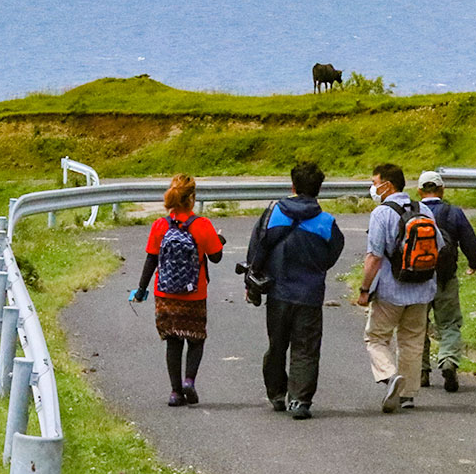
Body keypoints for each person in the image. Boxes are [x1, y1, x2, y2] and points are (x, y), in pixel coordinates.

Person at [245, 161, 345, 419]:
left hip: (278, 293)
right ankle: (300, 401)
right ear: (319, 189)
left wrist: (252, 283)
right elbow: (333, 254)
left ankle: (277, 394)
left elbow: (256, 249)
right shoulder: (326, 222)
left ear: (293, 185)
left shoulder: (274, 212)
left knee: (277, 345)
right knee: (306, 348)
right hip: (310, 295)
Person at [130, 174, 225, 406]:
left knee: (173, 342)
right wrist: (219, 239)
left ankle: (175, 393)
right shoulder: (202, 225)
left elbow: (151, 260)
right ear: (191, 198)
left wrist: (141, 289)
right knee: (196, 339)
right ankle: (189, 380)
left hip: (165, 294)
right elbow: (216, 257)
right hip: (194, 294)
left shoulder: (160, 225)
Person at [356, 163, 444, 413]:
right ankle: (407, 395)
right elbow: (439, 245)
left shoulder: (381, 214)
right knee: (412, 340)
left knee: (376, 338)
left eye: (375, 183)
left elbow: (374, 256)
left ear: (387, 185)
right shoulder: (424, 209)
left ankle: (389, 375)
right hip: (423, 288)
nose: (373, 188)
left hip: (390, 291)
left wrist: (364, 289)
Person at [416, 170, 476, 392]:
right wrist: (473, 263)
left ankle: (421, 371)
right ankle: (448, 362)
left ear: (419, 191)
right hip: (445, 278)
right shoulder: (453, 212)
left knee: (417, 326)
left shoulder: (413, 213)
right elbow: (469, 241)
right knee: (450, 323)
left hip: (416, 280)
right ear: (442, 190)